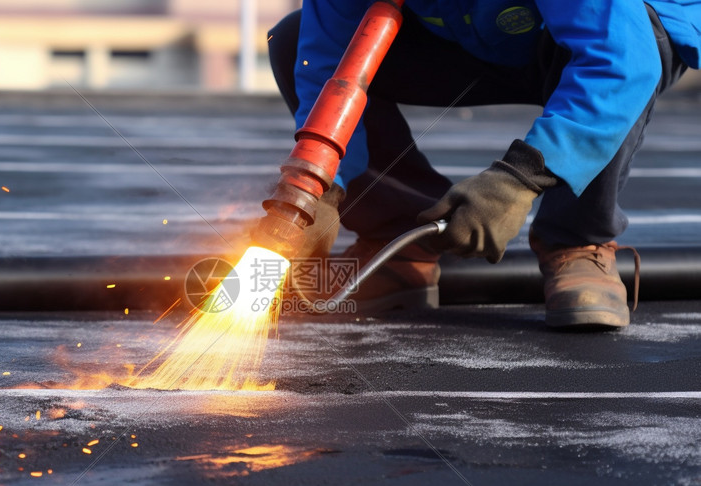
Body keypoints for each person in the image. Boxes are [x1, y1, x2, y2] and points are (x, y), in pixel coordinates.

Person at [268, 1, 700, 328]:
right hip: (477, 35)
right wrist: (320, 187)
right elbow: (327, 65)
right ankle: (399, 240)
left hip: (612, 33)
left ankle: (577, 243)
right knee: (294, 41)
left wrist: (516, 180)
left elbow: (620, 61)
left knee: (639, 36)